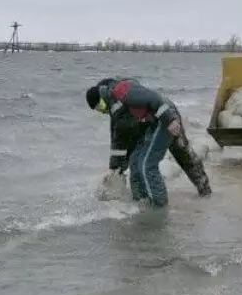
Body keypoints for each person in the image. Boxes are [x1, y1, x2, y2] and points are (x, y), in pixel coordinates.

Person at [86, 78, 202, 208]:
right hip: (151, 123)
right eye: (99, 110)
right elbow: (120, 141)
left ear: (103, 96)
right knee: (135, 163)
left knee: (150, 164)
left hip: (165, 117)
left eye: (101, 106)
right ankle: (141, 203)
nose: (102, 111)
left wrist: (170, 120)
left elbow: (154, 98)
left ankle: (160, 209)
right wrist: (115, 168)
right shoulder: (116, 113)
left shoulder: (124, 92)